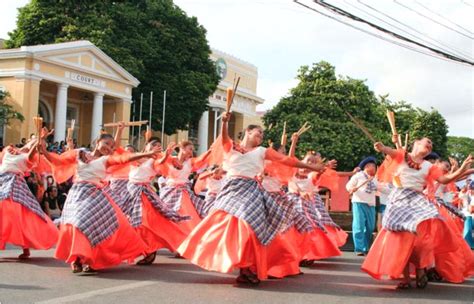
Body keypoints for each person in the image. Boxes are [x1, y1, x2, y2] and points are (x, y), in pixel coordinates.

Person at [178, 112, 333, 285]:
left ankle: (247, 267)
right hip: (231, 189)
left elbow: (287, 160)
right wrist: (224, 123)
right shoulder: (231, 147)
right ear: (248, 132)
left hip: (251, 190)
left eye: (262, 135)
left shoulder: (262, 151)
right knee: (224, 224)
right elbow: (224, 138)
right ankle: (226, 258)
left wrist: (311, 166)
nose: (260, 137)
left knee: (250, 228)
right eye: (258, 133)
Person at [40, 131, 160, 273]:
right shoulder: (79, 153)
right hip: (77, 194)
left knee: (85, 223)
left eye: (111, 146)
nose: (108, 148)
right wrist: (43, 148)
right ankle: (77, 258)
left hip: (94, 195)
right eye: (106, 144)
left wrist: (145, 154)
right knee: (73, 224)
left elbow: (125, 158)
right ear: (98, 142)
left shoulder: (106, 160)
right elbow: (58, 161)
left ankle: (89, 259)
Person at [361, 138, 473, 289]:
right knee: (401, 239)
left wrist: (462, 169)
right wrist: (381, 147)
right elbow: (389, 151)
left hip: (417, 200)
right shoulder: (402, 155)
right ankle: (406, 278)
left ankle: (421, 268)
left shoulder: (429, 166)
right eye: (427, 141)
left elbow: (444, 179)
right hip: (399, 200)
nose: (430, 144)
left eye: (431, 144)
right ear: (416, 143)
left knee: (421, 238)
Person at [0, 140, 58, 259]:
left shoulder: (27, 158)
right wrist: (39, 138)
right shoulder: (8, 151)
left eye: (32, 147)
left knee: (21, 217)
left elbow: (30, 153)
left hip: (14, 185)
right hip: (2, 181)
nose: (30, 147)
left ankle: (25, 248)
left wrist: (36, 146)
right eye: (30, 144)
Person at [346, 156, 378, 256]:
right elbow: (348, 186)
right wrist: (352, 188)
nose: (373, 168)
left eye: (374, 166)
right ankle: (359, 248)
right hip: (359, 202)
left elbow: (380, 188)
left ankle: (365, 246)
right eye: (371, 166)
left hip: (371, 204)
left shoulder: (375, 178)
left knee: (370, 226)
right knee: (359, 225)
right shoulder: (358, 176)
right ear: (366, 166)